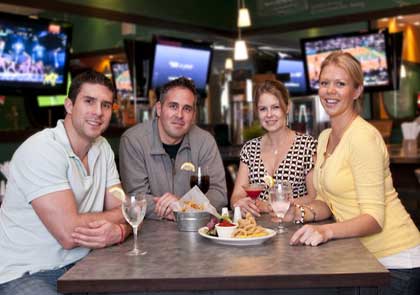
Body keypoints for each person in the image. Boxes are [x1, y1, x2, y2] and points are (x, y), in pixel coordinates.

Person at [287, 52, 420, 295]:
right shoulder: (325, 137)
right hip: (363, 259)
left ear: (357, 91)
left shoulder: (363, 137)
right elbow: (329, 201)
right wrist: (300, 210)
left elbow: (374, 219)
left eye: (341, 84)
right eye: (325, 83)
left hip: (396, 262)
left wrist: (326, 231)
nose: (330, 91)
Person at [0, 71, 131, 295]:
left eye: (106, 105)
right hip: (27, 271)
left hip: (83, 264)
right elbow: (69, 235)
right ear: (69, 105)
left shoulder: (103, 147)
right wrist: (117, 221)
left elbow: (124, 208)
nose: (98, 112)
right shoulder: (42, 149)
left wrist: (120, 231)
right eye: (89, 101)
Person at [119, 77, 227, 220]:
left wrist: (182, 206)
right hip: (151, 235)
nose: (180, 115)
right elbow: (136, 199)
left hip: (196, 231)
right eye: (173, 106)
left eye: (187, 109)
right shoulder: (133, 140)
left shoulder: (205, 141)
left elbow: (219, 194)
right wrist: (180, 208)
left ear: (194, 115)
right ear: (159, 109)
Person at [230, 80, 317, 217]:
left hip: (294, 228)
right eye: (263, 109)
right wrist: (241, 203)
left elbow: (314, 197)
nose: (269, 114)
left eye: (275, 107)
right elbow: (236, 196)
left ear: (287, 107)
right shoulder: (250, 149)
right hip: (256, 231)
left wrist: (273, 204)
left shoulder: (308, 146)